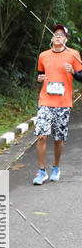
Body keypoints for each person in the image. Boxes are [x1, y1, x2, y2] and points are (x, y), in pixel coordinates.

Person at [33, 24, 82, 184]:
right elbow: (40, 75)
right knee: (41, 135)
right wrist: (39, 79)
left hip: (63, 102)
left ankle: (56, 166)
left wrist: (73, 72)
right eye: (56, 34)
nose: (58, 36)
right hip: (45, 100)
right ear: (52, 37)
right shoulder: (43, 55)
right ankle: (41, 171)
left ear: (66, 39)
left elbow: (81, 76)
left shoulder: (73, 54)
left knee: (58, 138)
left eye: (62, 34)